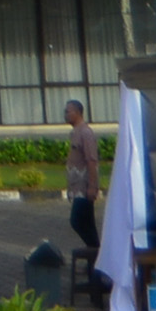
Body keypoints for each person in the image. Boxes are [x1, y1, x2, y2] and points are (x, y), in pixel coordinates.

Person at [62, 99, 100, 254]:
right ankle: (95, 257)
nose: (65, 115)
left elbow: (91, 160)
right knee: (87, 223)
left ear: (77, 112)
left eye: (68, 111)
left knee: (77, 221)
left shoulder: (85, 133)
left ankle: (96, 251)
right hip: (76, 186)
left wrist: (92, 186)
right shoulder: (75, 132)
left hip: (84, 187)